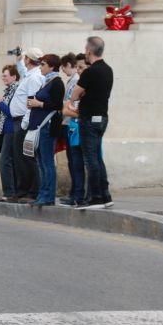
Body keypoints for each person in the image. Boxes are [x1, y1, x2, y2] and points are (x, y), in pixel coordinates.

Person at [68, 36, 113, 209]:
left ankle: (95, 198)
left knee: (90, 159)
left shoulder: (90, 72)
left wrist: (79, 96)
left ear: (89, 51)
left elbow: (74, 94)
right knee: (97, 158)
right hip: (102, 117)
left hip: (89, 119)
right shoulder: (108, 69)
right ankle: (105, 195)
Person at [26, 54, 65, 207]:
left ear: (51, 67)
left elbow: (56, 104)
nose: (40, 67)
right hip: (40, 127)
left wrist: (38, 104)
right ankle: (43, 193)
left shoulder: (57, 83)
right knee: (41, 162)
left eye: (43, 64)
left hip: (47, 127)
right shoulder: (47, 81)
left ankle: (48, 196)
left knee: (47, 162)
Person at [9, 47, 45, 202]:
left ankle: (31, 190)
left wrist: (25, 123)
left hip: (24, 121)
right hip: (19, 120)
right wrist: (19, 59)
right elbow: (23, 71)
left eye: (25, 58)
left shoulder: (35, 77)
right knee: (19, 157)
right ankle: (22, 189)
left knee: (26, 158)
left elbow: (32, 102)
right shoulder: (30, 75)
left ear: (29, 60)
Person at [59, 53, 84, 206]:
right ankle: (74, 192)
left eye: (64, 67)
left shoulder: (76, 82)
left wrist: (66, 109)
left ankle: (76, 193)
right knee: (72, 160)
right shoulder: (71, 81)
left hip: (72, 123)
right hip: (68, 122)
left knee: (75, 161)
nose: (63, 70)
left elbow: (71, 104)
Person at [0, 64, 19, 202]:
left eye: (5, 75)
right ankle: (12, 192)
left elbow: (12, 112)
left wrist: (0, 104)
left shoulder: (16, 90)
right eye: (2, 75)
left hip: (11, 129)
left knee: (4, 161)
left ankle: (9, 192)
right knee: (9, 161)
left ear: (14, 77)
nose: (3, 78)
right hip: (5, 129)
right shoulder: (8, 90)